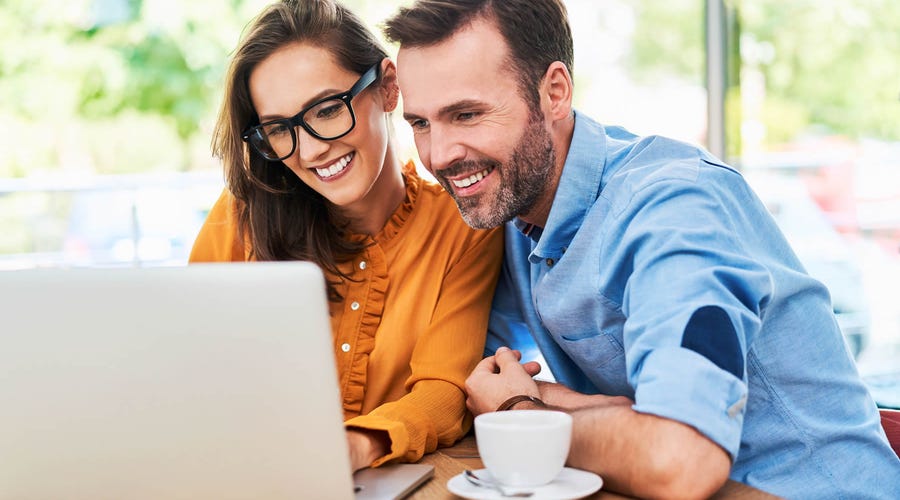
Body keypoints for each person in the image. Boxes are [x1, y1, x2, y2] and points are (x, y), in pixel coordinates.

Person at [383, 0, 900, 498]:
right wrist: (554, 403)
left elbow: (679, 461)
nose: (439, 155)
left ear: (555, 92)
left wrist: (523, 414)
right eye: (421, 123)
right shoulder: (514, 212)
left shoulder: (672, 209)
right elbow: (483, 380)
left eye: (467, 115)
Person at [190, 0, 503, 472]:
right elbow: (184, 367)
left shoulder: (463, 229)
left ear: (387, 88)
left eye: (327, 109)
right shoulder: (240, 216)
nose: (312, 150)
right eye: (279, 129)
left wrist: (354, 447)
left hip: (372, 479)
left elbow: (444, 391)